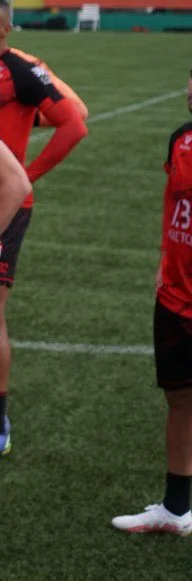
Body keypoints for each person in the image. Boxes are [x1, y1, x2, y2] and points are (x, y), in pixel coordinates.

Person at [0, 0, 88, 467]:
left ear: (6, 30)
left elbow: (73, 125)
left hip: (4, 207)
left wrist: (26, 176)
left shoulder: (21, 71)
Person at [112, 75, 192, 537]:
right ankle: (176, 509)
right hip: (176, 299)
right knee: (180, 399)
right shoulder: (181, 139)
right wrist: (166, 255)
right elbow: (172, 202)